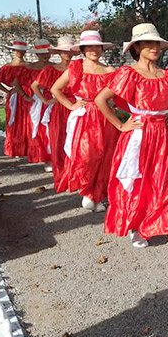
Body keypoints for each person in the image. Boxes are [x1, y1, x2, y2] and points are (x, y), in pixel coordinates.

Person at [95, 23, 168, 262]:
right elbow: (101, 100)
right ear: (136, 47)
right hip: (137, 137)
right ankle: (137, 225)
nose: (154, 48)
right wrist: (121, 125)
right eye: (148, 43)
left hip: (164, 137)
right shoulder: (128, 74)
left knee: (166, 185)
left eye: (156, 43)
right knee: (139, 184)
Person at [50, 28, 119, 212]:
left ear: (102, 49)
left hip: (105, 117)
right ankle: (88, 191)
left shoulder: (110, 70)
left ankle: (97, 196)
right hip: (85, 117)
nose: (93, 51)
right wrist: (71, 105)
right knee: (87, 156)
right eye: (89, 47)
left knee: (106, 156)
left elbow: (119, 95)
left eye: (97, 47)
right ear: (82, 49)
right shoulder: (75, 67)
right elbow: (55, 89)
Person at [31, 36, 75, 176]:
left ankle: (74, 167)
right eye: (63, 51)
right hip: (58, 108)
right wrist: (45, 101)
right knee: (58, 137)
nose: (66, 54)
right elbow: (34, 86)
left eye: (69, 51)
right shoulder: (51, 70)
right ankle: (60, 167)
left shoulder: (78, 68)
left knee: (75, 137)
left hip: (76, 106)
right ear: (58, 53)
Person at [0, 38, 32, 158]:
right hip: (15, 97)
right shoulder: (7, 67)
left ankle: (27, 147)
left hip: (27, 95)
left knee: (27, 121)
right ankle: (15, 149)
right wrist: (8, 91)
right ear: (13, 51)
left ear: (25, 52)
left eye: (22, 51)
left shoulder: (29, 66)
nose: (19, 53)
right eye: (17, 50)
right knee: (14, 121)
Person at [25, 38, 54, 166]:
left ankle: (54, 156)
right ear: (37, 54)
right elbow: (26, 84)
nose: (45, 55)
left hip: (54, 98)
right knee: (40, 128)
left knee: (53, 128)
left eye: (47, 52)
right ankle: (43, 156)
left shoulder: (54, 67)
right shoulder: (30, 67)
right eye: (41, 53)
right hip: (37, 100)